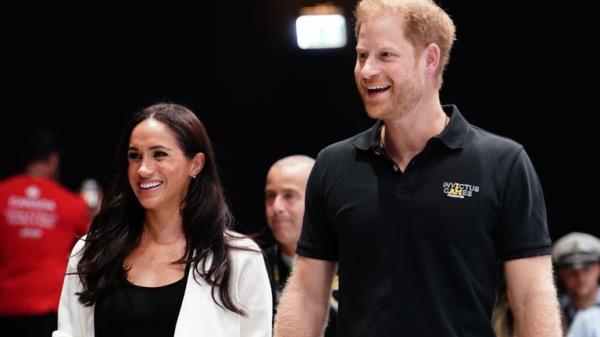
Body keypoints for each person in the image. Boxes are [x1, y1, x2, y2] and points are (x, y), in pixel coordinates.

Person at [274, 0, 563, 336]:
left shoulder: (503, 163)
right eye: (362, 55)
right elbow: (307, 296)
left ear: (430, 58)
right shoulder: (334, 164)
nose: (366, 70)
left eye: (385, 55)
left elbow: (532, 297)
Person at [52, 103, 272, 337]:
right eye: (134, 156)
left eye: (159, 154)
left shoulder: (240, 259)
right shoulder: (92, 252)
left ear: (195, 164)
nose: (143, 169)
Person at [0, 128, 90, 337]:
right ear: (53, 159)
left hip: (5, 308)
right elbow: (90, 248)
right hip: (49, 311)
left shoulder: (2, 194)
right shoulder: (73, 204)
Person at [263, 155, 337, 336]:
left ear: (316, 200)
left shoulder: (356, 262)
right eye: (271, 196)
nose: (277, 207)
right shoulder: (256, 265)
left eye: (289, 195)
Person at [552, 232, 600, 329]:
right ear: (561, 273)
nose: (580, 277)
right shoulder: (552, 311)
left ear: (598, 268)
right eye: (572, 272)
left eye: (586, 269)